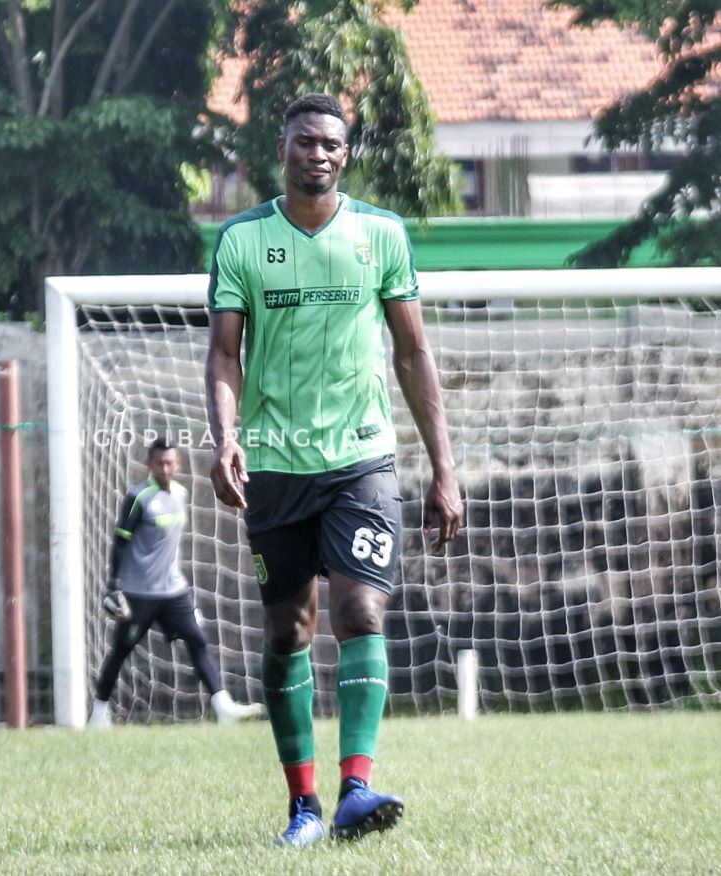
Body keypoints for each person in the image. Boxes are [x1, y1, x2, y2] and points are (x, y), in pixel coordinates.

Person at [204, 93, 463, 845]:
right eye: (305, 142)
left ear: (345, 155)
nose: (318, 154)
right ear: (280, 148)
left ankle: (356, 788)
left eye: (331, 145)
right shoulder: (243, 241)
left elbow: (413, 353)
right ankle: (304, 808)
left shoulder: (380, 234)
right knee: (288, 631)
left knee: (360, 613)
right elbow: (224, 353)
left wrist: (443, 468)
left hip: (362, 460)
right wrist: (226, 437)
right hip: (277, 467)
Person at [88, 439, 262, 729]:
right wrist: (114, 585)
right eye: (159, 463)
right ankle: (99, 714)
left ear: (178, 465)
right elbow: (120, 542)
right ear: (149, 465)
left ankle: (222, 705)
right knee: (121, 650)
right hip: (139, 593)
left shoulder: (181, 493)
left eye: (170, 463)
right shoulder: (139, 498)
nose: (165, 468)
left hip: (173, 592)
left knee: (197, 640)